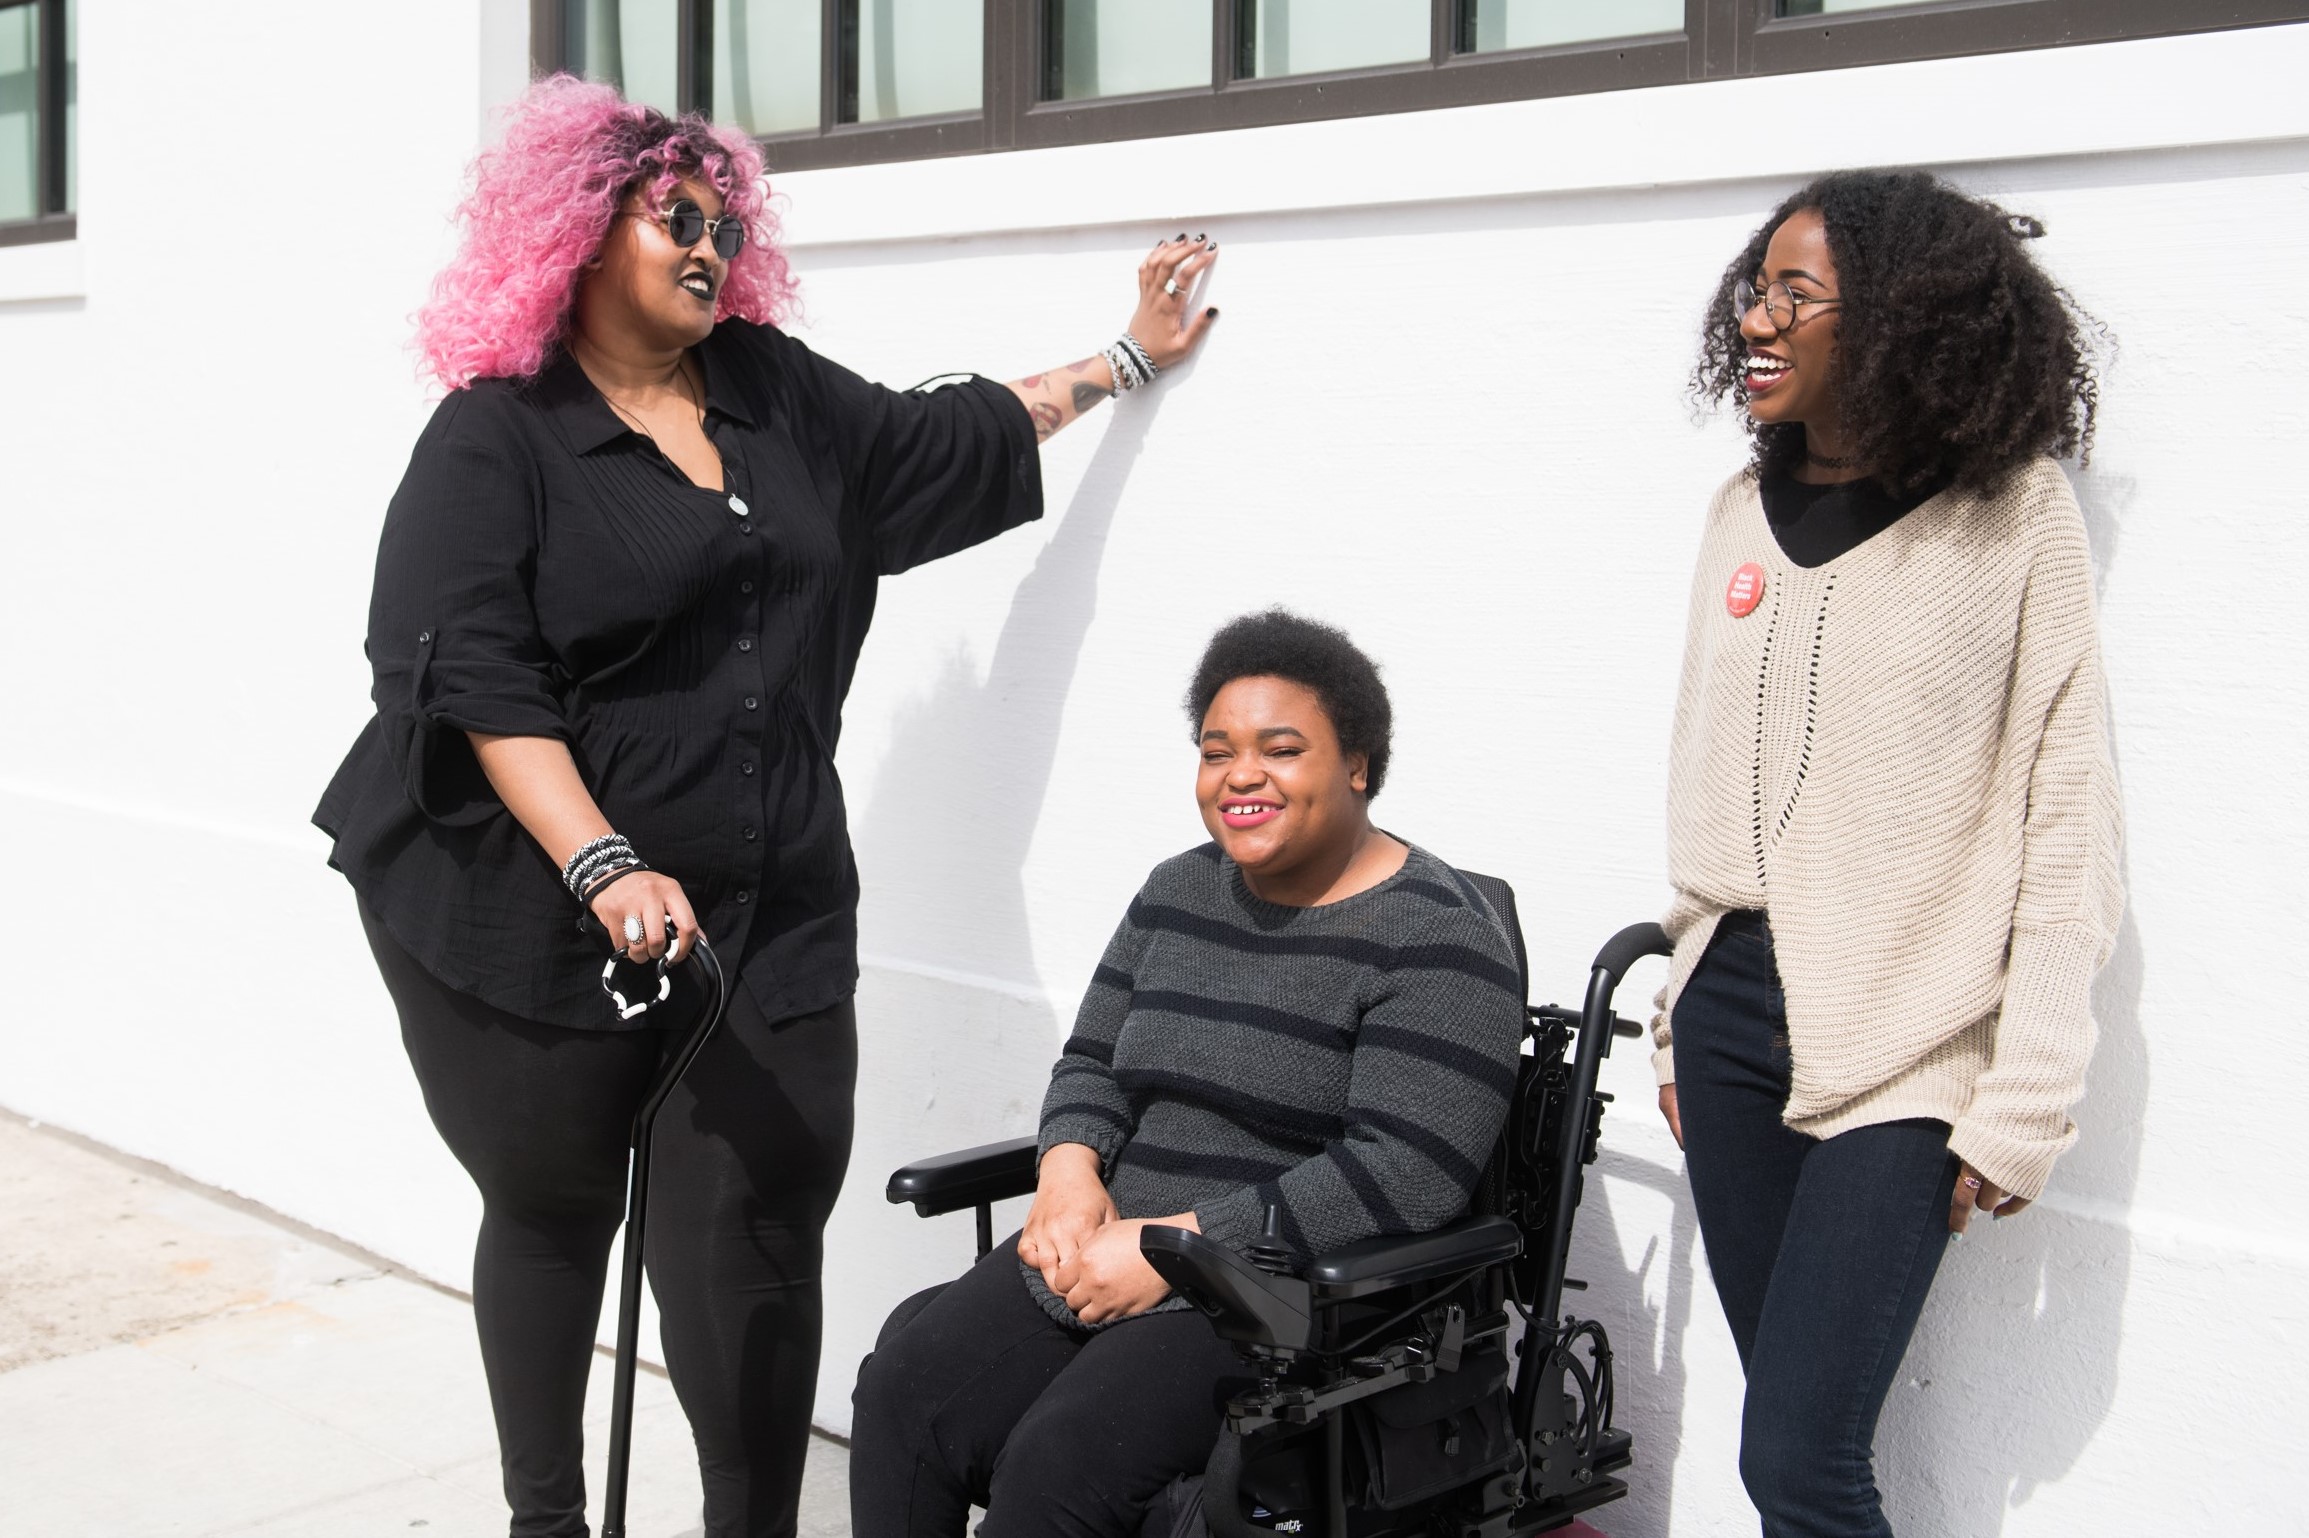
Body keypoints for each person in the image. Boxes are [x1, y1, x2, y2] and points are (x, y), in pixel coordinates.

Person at [311, 76, 1218, 1538]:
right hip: (522, 921)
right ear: (574, 230)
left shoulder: (775, 393)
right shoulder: (497, 439)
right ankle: (547, 1519)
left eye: (725, 224)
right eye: (673, 214)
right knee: (553, 1213)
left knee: (753, 1239)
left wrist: (1123, 355)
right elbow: (473, 677)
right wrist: (602, 856)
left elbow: (945, 443)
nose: (705, 245)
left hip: (766, 910)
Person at [1651, 168, 2124, 1537]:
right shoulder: (1735, 515)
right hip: (1730, 1010)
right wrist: (1682, 1009)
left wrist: (2024, 1090)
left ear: (1904, 321)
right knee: (1782, 1437)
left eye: (1795, 291)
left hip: (1909, 1034)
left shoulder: (2012, 517)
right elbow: (1697, 772)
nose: (1757, 315)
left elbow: (2064, 809)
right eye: (1756, 284)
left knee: (1796, 1460)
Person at [847, 609, 1524, 1536]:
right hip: (1106, 1246)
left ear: (1357, 763)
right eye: (1216, 751)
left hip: (1282, 1297)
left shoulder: (1437, 936)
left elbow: (1401, 1175)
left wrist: (1180, 1249)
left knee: (1058, 1463)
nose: (1241, 774)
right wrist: (1068, 1170)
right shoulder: (1178, 890)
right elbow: (1092, 1063)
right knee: (904, 1396)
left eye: (1280, 749)